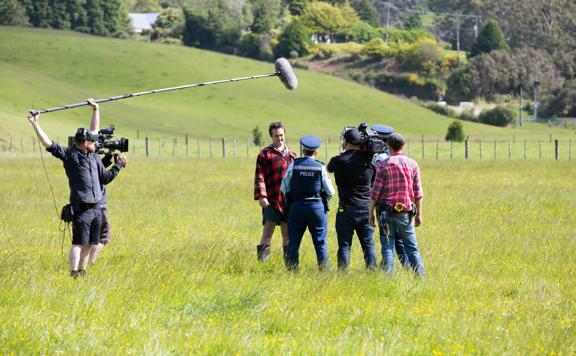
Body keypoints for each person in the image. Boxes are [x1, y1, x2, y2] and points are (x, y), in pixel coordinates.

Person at [27, 106, 126, 278]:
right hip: (81, 208)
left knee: (90, 243)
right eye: (93, 141)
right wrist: (35, 123)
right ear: (85, 142)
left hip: (97, 207)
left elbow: (105, 177)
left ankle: (83, 270)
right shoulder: (69, 155)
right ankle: (73, 271)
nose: (96, 143)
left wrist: (96, 109)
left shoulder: (94, 157)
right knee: (78, 243)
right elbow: (48, 143)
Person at [369, 133, 425, 277]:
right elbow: (418, 192)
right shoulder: (413, 164)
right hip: (405, 213)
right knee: (412, 248)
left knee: (387, 247)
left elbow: (375, 193)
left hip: (385, 214)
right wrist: (419, 214)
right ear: (402, 146)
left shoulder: (383, 164)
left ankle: (388, 277)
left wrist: (370, 215)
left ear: (388, 146)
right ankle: (420, 277)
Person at [281, 135, 335, 271]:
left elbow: (283, 188)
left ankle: (292, 271)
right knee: (320, 242)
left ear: (302, 150)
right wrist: (322, 200)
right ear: (315, 152)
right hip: (316, 207)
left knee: (294, 242)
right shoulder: (320, 167)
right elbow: (331, 192)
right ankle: (324, 273)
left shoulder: (294, 165)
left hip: (297, 207)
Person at [327, 128, 377, 270]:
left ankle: (343, 274)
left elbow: (329, 168)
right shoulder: (369, 162)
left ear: (346, 142)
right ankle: (373, 272)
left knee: (344, 245)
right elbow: (373, 179)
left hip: (346, 209)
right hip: (366, 209)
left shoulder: (338, 161)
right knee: (368, 244)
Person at [254, 122, 296, 262]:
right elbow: (259, 176)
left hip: (288, 202)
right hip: (271, 200)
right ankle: (262, 265)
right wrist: (262, 196)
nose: (280, 138)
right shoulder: (265, 155)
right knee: (267, 233)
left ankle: (290, 266)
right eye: (277, 135)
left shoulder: (292, 155)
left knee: (287, 235)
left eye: (282, 135)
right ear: (271, 136)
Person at [371, 124, 410, 269]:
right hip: (401, 203)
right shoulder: (403, 158)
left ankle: (387, 269)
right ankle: (407, 267)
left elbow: (374, 181)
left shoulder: (379, 159)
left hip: (384, 204)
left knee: (387, 239)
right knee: (400, 239)